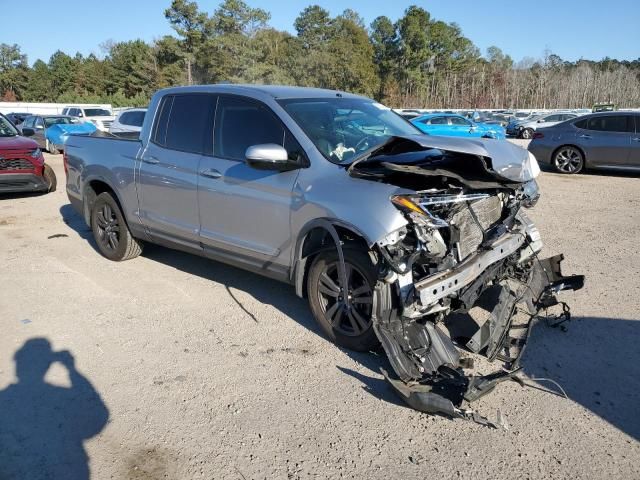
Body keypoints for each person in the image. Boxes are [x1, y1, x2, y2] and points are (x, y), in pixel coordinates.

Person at [0, 338, 109, 479]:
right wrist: (71, 369)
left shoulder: (4, 399)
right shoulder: (62, 396)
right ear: (47, 365)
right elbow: (98, 417)